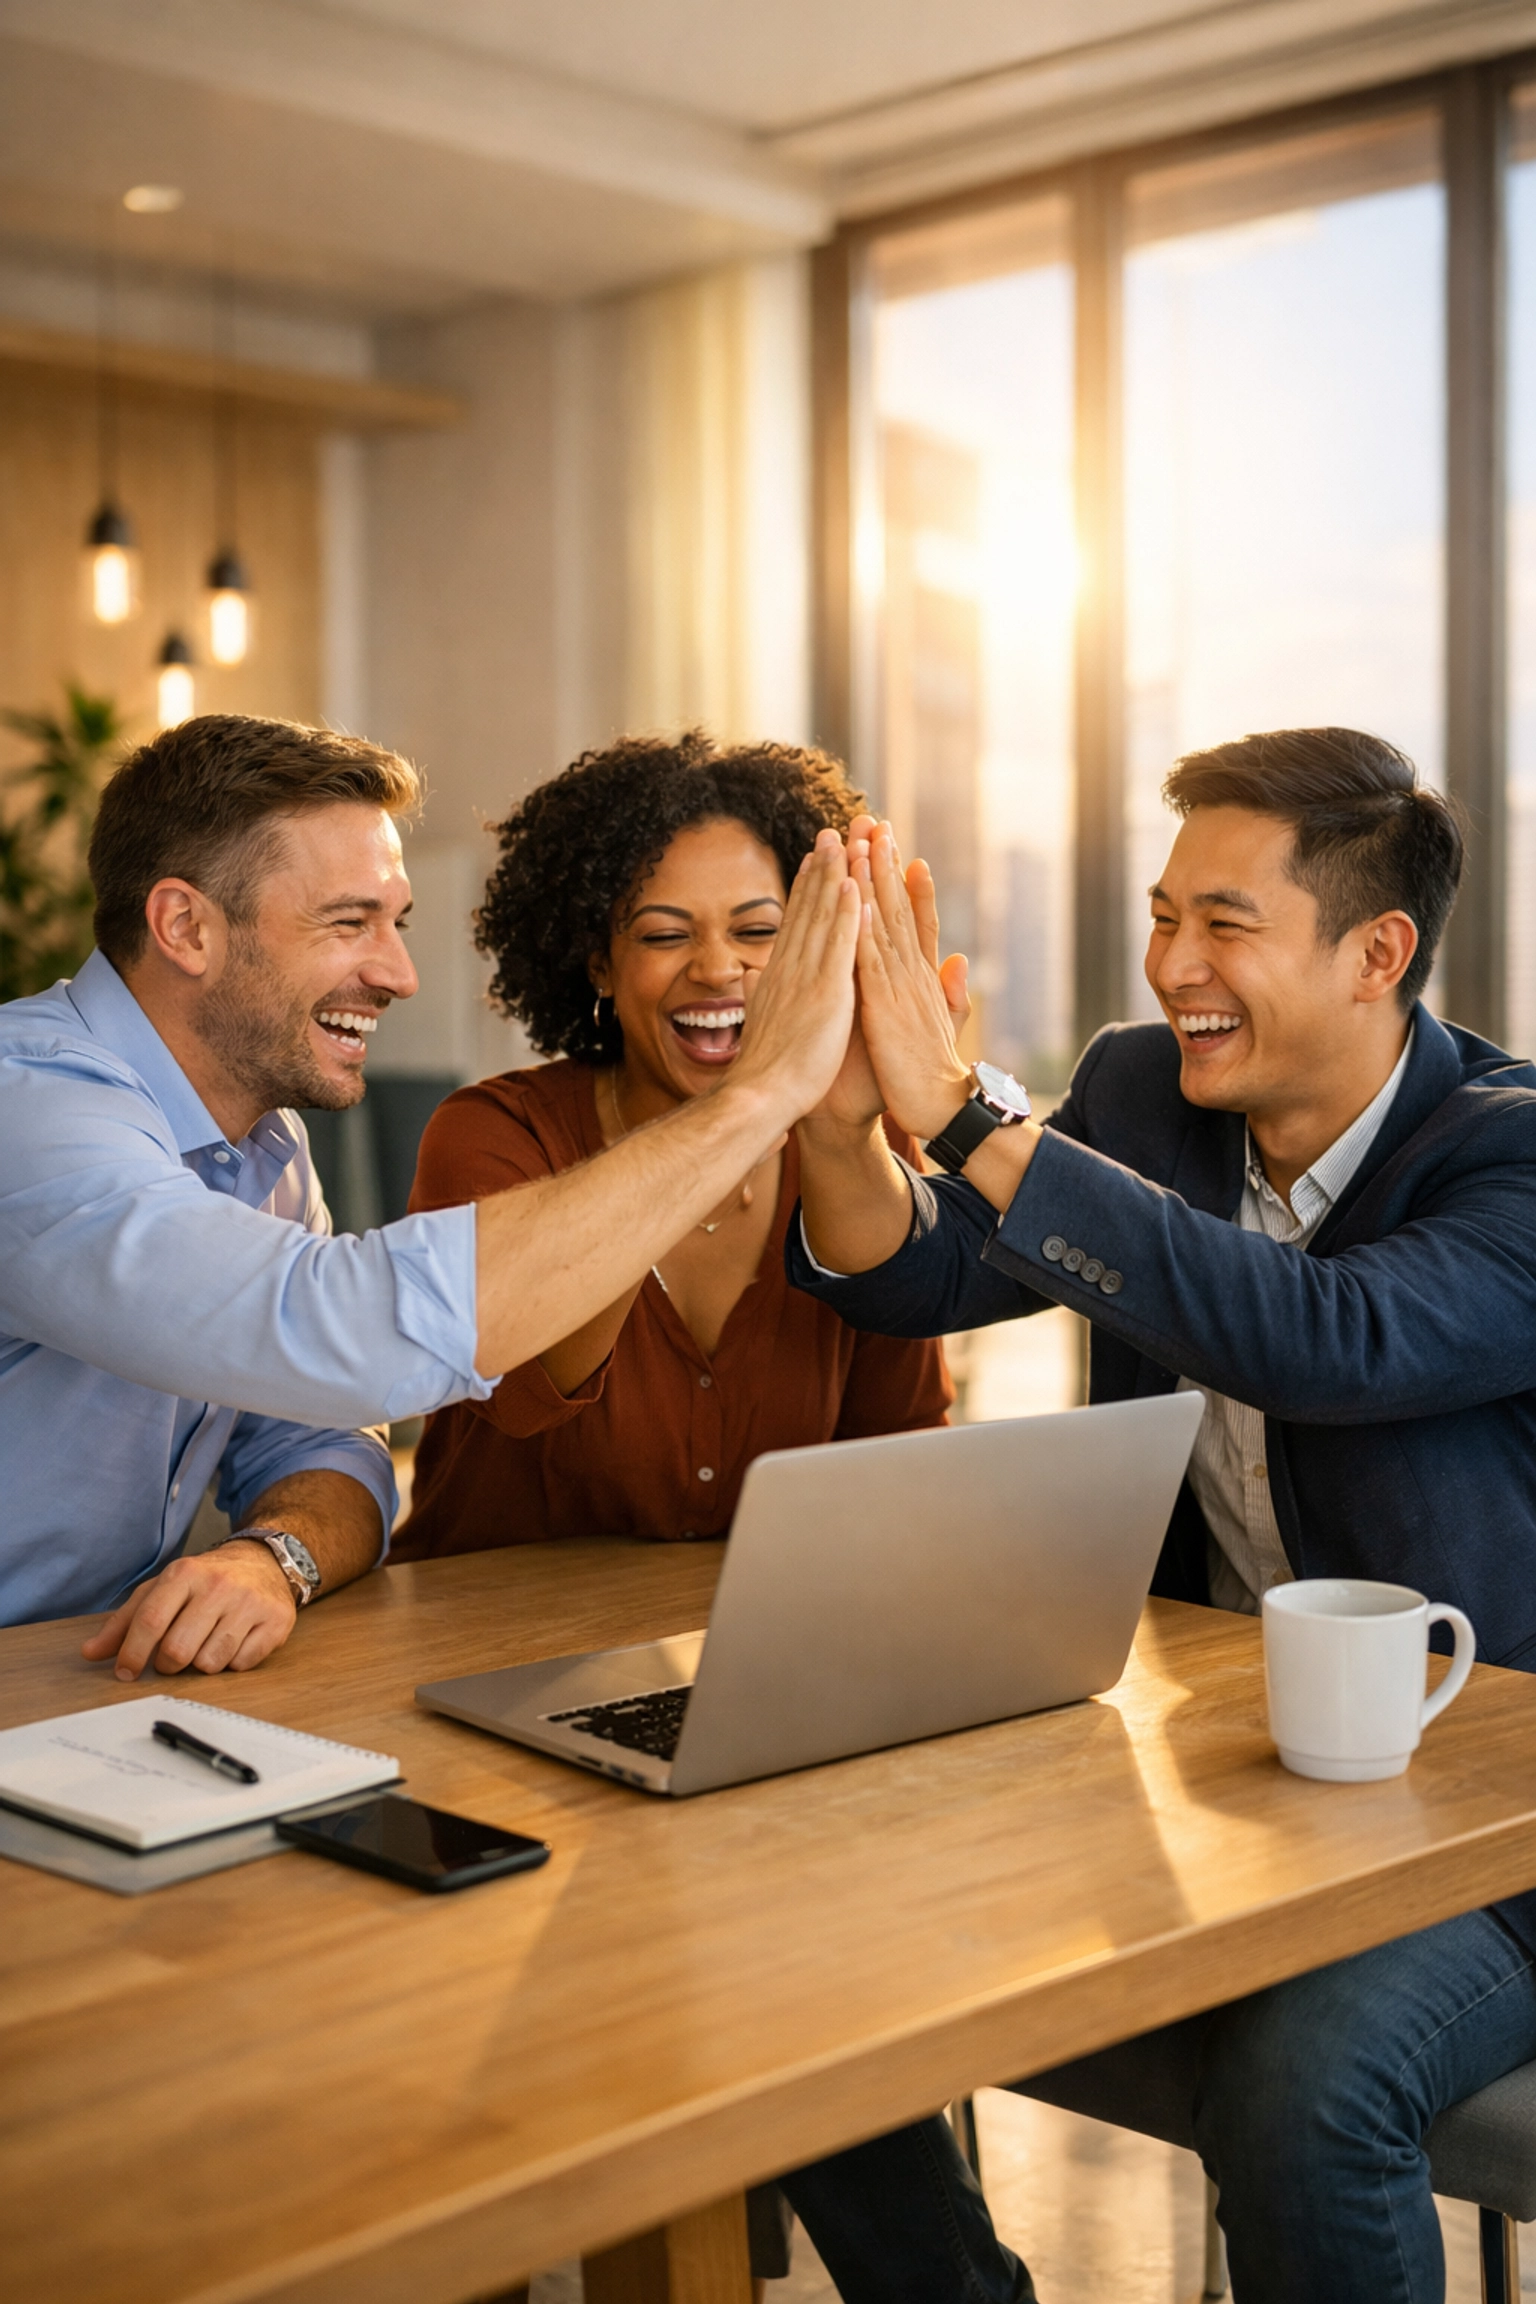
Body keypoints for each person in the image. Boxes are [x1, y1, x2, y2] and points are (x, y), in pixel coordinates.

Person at [780, 728, 1536, 2304]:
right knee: (792, 1954)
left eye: (1223, 925)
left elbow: (1327, 1342)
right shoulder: (1143, 1087)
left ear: (1376, 953)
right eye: (1161, 912)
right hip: (1217, 1772)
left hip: (1490, 1814)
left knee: (1305, 2091)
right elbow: (920, 1277)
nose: (1169, 961)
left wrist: (977, 1120)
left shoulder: (1514, 1154)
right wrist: (845, 1122)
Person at [0, 714, 861, 1678]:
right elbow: (342, 1332)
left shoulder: (260, 1144)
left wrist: (273, 1556)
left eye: (394, 923)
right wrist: (763, 1092)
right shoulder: (26, 1109)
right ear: (186, 927)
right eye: (348, 922)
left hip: (78, 1686)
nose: (398, 973)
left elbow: (327, 1429)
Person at [392, 733, 951, 1563]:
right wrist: (753, 1102)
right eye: (663, 936)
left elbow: (901, 1451)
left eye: (760, 932)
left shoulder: (855, 1141)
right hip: (478, 1652)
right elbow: (524, 1385)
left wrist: (845, 1129)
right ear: (600, 967)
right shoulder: (494, 1136)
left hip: (736, 1656)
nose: (718, 968)